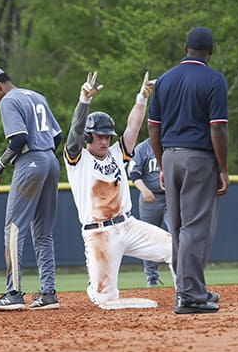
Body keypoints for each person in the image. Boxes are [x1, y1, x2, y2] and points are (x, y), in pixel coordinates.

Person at [64, 70, 173, 307]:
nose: (105, 141)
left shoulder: (115, 153)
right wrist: (84, 100)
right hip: (99, 234)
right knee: (106, 301)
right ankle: (97, 288)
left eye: (108, 137)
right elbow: (74, 131)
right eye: (100, 136)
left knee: (175, 248)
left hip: (128, 225)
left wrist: (142, 98)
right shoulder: (77, 159)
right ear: (89, 137)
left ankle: (189, 294)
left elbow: (133, 127)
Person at [147, 26, 229, 314]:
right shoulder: (214, 80)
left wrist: (160, 162)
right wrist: (223, 168)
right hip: (198, 159)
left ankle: (190, 288)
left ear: (185, 49)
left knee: (180, 228)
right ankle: (190, 295)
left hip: (170, 156)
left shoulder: (166, 80)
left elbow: (153, 127)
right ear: (211, 52)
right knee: (196, 228)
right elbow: (218, 127)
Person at [0, 66, 63, 311]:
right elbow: (57, 137)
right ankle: (48, 293)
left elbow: (19, 139)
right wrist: (44, 158)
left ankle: (13, 293)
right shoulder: (37, 96)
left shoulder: (9, 100)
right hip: (51, 162)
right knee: (43, 233)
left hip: (31, 161)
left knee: (13, 229)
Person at [127, 138, 170, 287]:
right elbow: (134, 172)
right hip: (149, 198)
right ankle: (151, 277)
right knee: (148, 239)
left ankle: (181, 275)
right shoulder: (143, 148)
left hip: (171, 198)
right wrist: (144, 189)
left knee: (176, 234)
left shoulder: (172, 145)